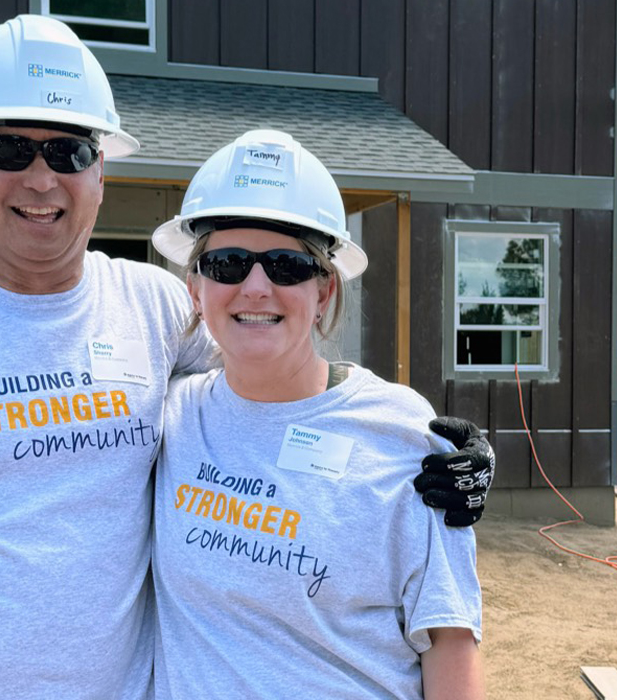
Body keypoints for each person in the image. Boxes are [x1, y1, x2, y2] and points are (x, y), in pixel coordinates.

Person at [0, 15, 492, 700]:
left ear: (100, 171)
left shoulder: (155, 308)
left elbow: (269, 362)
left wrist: (414, 438)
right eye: (5, 148)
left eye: (67, 150)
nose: (40, 176)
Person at [149, 130, 483, 698]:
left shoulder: (400, 433)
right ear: (196, 289)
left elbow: (449, 639)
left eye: (285, 265)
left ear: (324, 291)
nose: (256, 287)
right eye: (228, 264)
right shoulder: (168, 415)